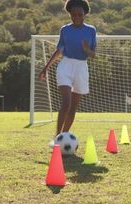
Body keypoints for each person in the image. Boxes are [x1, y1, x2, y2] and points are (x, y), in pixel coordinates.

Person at [39, 0, 96, 140]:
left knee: (73, 107)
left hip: (81, 68)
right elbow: (59, 51)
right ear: (69, 14)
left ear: (85, 14)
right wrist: (46, 68)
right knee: (66, 102)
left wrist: (86, 49)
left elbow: (93, 54)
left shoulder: (91, 30)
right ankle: (57, 137)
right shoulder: (65, 30)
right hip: (66, 65)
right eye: (74, 15)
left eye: (80, 15)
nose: (77, 17)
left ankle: (64, 136)